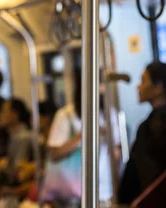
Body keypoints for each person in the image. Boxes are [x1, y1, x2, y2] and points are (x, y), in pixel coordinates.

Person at [118, 61, 166, 207]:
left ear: (158, 88)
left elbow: (145, 172)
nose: (138, 86)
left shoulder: (157, 127)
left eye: (143, 80)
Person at [42, 70, 117, 205]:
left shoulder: (109, 114)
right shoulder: (65, 115)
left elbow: (116, 152)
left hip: (103, 189)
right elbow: (55, 153)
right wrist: (84, 135)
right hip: (71, 193)